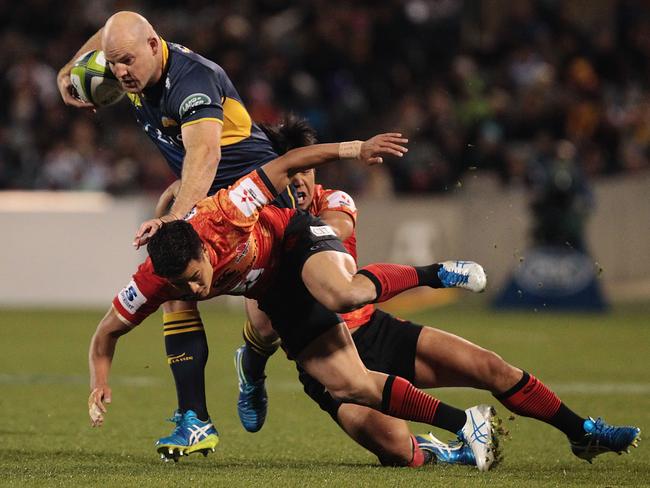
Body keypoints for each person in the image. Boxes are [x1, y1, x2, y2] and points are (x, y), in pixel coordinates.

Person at [231, 118, 642, 469]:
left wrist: (299, 229)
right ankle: (445, 450)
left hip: (372, 329)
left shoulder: (334, 202)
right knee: (399, 453)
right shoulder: (260, 224)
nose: (300, 180)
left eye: (309, 168)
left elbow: (335, 230)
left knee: (490, 367)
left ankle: (582, 432)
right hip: (326, 359)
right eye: (292, 170)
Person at [88, 132, 505, 470]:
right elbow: (106, 333)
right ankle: (465, 423)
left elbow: (287, 164)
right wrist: (100, 381)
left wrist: (356, 149)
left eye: (196, 277)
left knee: (342, 293)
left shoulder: (228, 212)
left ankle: (436, 273)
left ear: (202, 250)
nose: (196, 289)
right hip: (272, 288)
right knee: (353, 387)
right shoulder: (156, 279)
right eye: (183, 284)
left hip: (292, 241)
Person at [56, 11, 297, 449]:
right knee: (175, 283)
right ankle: (195, 417)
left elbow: (204, 155)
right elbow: (110, 32)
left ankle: (253, 362)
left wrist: (175, 215)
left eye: (126, 60)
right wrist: (68, 70)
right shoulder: (132, 67)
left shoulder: (192, 82)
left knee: (269, 322)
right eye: (112, 63)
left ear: (153, 44)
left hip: (258, 204)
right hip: (207, 204)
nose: (119, 72)